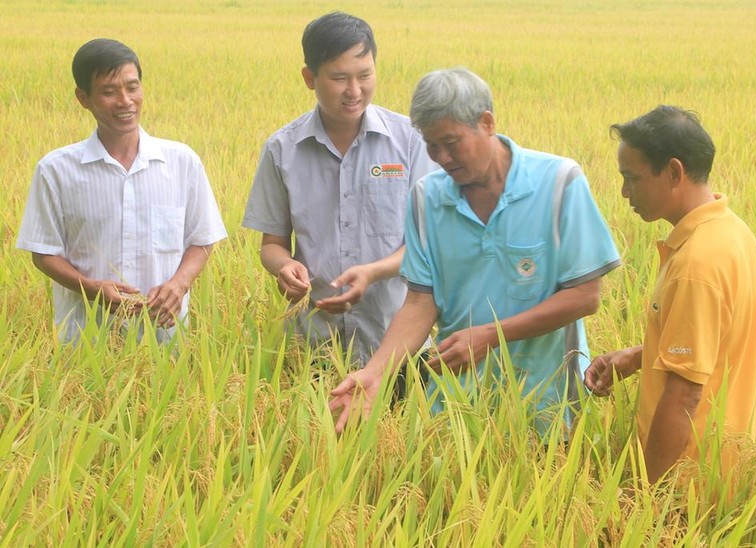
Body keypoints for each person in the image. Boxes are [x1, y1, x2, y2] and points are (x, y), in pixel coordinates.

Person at [329, 67, 621, 434]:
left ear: (486, 123)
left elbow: (584, 296)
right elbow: (421, 302)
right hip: (455, 407)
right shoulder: (427, 197)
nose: (441, 157)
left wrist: (489, 335)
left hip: (548, 404)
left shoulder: (560, 182)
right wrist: (375, 372)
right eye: (431, 145)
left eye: (451, 143)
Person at [584, 106, 756, 484]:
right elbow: (713, 344)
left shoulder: (697, 264)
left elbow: (684, 396)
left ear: (673, 172)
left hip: (688, 477)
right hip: (724, 458)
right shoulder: (732, 231)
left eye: (631, 178)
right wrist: (638, 357)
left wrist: (645, 497)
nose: (623, 193)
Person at [242, 12, 437, 364]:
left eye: (365, 75)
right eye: (339, 78)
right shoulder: (282, 150)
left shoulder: (410, 141)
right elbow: (271, 245)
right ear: (309, 78)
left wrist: (373, 272)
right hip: (314, 345)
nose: (355, 91)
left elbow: (425, 245)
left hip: (397, 343)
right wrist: (283, 267)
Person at [16, 38, 227, 344]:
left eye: (132, 87)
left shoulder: (182, 162)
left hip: (166, 340)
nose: (125, 101)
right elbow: (44, 253)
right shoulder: (56, 170)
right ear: (83, 98)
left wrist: (179, 284)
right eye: (108, 91)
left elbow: (202, 240)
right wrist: (90, 288)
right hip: (85, 339)